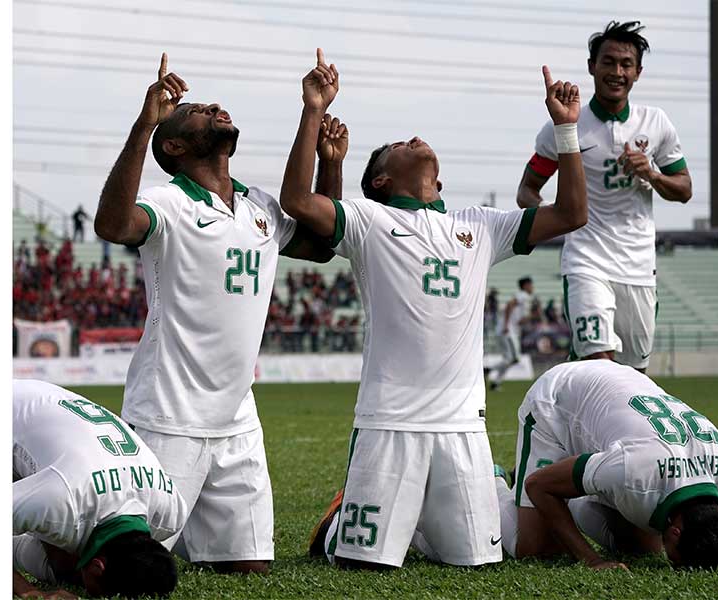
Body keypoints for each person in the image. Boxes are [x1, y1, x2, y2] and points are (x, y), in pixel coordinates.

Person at [282, 49, 587, 569]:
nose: (414, 138)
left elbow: (573, 212)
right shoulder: (369, 221)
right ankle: (342, 522)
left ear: (440, 182)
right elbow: (297, 200)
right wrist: (313, 110)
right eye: (399, 144)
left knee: (478, 562)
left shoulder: (481, 225)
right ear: (380, 180)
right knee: (362, 565)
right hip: (389, 422)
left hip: (462, 427)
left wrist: (566, 132)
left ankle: (417, 517)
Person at [94, 53, 335, 575]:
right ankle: (21, 544)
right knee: (125, 566)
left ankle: (190, 529)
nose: (214, 108)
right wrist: (144, 124)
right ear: (174, 145)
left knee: (249, 568)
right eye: (199, 111)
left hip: (237, 416)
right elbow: (113, 224)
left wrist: (319, 130)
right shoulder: (171, 202)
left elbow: (321, 245)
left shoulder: (260, 207)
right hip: (168, 413)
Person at [517, 21, 692, 372]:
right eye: (608, 62)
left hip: (639, 267)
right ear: (591, 66)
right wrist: (564, 219)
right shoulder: (565, 126)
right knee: (599, 363)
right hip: (586, 261)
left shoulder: (655, 123)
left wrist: (652, 174)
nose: (617, 71)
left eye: (626, 64)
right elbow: (527, 191)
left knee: (633, 376)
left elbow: (684, 189)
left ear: (638, 72)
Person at [498, 360, 718, 570]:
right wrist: (591, 560)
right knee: (536, 546)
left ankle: (574, 491)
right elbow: (539, 485)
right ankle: (492, 480)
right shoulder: (634, 469)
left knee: (642, 547)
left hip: (621, 387)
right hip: (560, 396)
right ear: (675, 533)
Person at [13, 379, 187, 599]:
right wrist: (28, 591)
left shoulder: (171, 513)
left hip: (37, 411)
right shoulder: (62, 499)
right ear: (97, 567)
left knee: (67, 568)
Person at [488, 277, 535, 391]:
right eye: (531, 285)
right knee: (515, 358)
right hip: (508, 330)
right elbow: (509, 305)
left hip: (511, 330)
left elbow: (520, 319)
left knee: (509, 359)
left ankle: (495, 382)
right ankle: (488, 370)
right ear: (525, 285)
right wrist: (506, 324)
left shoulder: (525, 298)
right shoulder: (522, 295)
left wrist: (531, 316)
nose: (533, 288)